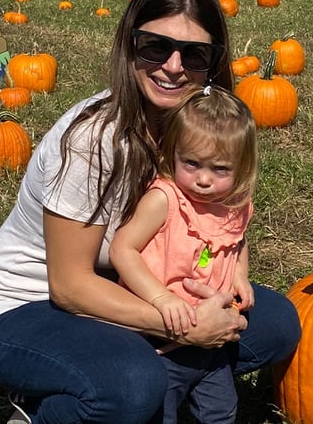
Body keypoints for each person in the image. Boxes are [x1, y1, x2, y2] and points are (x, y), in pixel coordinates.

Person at [0, 0, 301, 424]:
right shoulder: (94, 141)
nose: (174, 66)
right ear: (130, 45)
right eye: (156, 46)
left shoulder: (199, 136)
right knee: (133, 385)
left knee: (275, 323)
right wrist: (187, 326)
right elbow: (70, 286)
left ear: (215, 63)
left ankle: (149, 380)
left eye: (195, 54)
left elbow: (225, 219)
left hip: (136, 286)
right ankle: (46, 410)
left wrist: (230, 278)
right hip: (29, 307)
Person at [110, 83, 258, 424]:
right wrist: (161, 298)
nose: (203, 179)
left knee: (221, 410)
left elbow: (237, 240)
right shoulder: (165, 200)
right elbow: (123, 248)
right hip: (159, 338)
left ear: (241, 167)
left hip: (212, 338)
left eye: (220, 169)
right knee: (160, 410)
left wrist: (239, 273)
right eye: (191, 163)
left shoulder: (234, 205)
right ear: (171, 155)